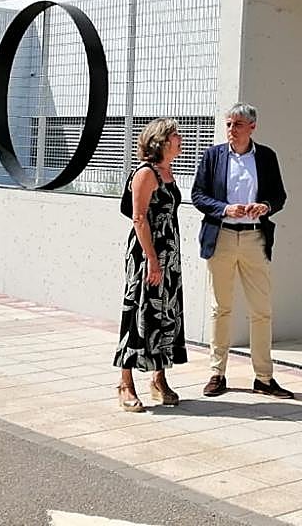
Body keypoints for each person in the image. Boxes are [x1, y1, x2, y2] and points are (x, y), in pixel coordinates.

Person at [192, 103, 293, 399]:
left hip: (254, 239)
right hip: (221, 237)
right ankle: (216, 373)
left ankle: (264, 377)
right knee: (220, 308)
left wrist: (266, 207)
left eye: (237, 124)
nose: (231, 130)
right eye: (228, 124)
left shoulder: (266, 157)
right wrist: (224, 209)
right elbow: (198, 195)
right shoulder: (213, 156)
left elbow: (279, 196)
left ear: (252, 127)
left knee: (261, 311)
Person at [113, 118, 187, 411]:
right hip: (148, 255)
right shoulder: (145, 173)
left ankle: (159, 379)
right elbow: (139, 218)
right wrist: (153, 261)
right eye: (176, 135)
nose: (181, 139)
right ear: (162, 141)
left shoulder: (167, 171)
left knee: (166, 313)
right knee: (139, 311)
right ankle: (125, 383)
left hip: (169, 256)